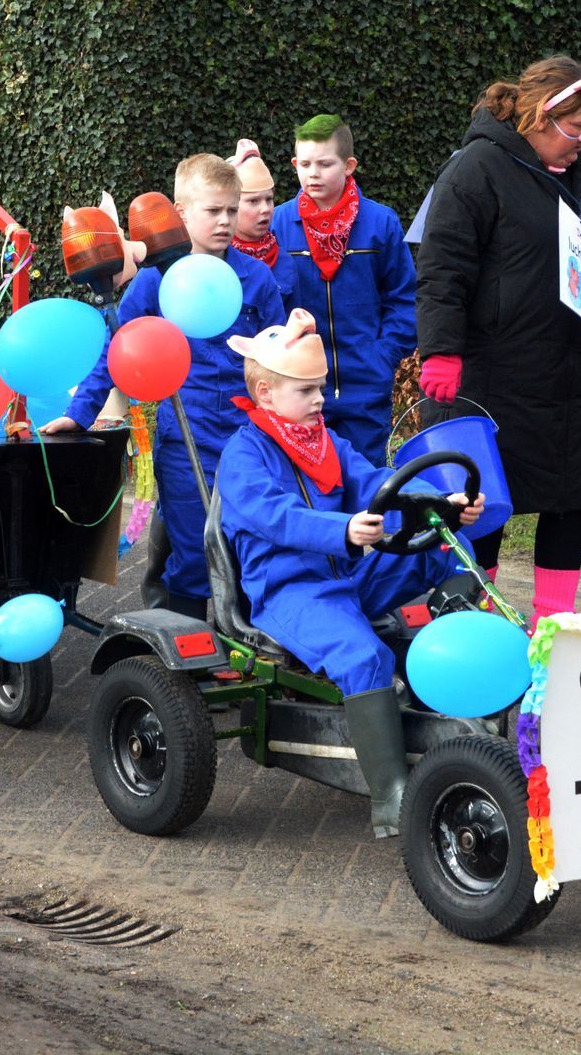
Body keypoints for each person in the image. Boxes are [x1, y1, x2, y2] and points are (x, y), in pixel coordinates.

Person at [216, 309, 483, 837]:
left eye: (320, 387)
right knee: (365, 657)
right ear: (265, 393)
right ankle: (393, 799)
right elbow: (277, 516)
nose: (320, 399)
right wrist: (342, 530)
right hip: (290, 590)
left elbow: (376, 479)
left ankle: (452, 674)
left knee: (451, 550)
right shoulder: (244, 455)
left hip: (347, 572)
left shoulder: (325, 441)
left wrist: (442, 504)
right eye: (306, 390)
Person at [415, 59, 581, 623]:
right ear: (542, 117)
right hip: (492, 370)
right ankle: (474, 616)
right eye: (578, 128)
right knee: (482, 500)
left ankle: (553, 623)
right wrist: (442, 350)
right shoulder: (476, 169)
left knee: (570, 498)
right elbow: (443, 269)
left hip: (566, 370)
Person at [42, 154, 285, 617]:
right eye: (213, 210)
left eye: (232, 210)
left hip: (249, 438)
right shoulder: (156, 280)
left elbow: (277, 358)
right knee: (194, 551)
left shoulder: (256, 278)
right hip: (185, 438)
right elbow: (116, 349)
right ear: (180, 212)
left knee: (251, 544)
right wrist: (80, 413)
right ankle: (188, 644)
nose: (225, 221)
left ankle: (244, 639)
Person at [271, 115, 416, 463]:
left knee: (364, 483)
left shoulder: (380, 223)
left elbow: (403, 298)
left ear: (349, 165)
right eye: (305, 164)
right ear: (294, 164)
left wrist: (382, 356)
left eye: (325, 164)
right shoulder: (277, 224)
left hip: (365, 387)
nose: (313, 174)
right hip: (298, 387)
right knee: (305, 482)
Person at [228, 138, 292, 299]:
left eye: (269, 199)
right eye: (253, 201)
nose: (265, 209)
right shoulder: (217, 257)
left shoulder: (285, 262)